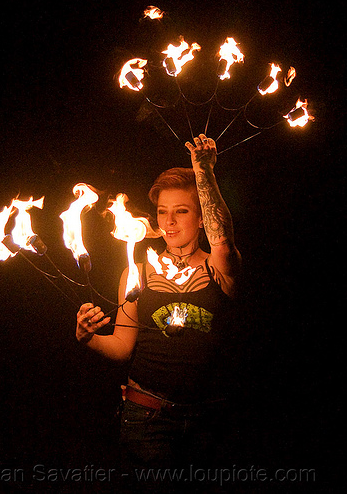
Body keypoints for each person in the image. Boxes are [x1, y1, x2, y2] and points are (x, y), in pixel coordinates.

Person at [76, 133, 241, 490]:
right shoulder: (136, 273)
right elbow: (121, 346)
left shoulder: (220, 268)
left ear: (200, 219)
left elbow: (223, 236)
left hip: (208, 420)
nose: (169, 221)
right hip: (146, 419)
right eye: (162, 212)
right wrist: (88, 337)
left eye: (181, 211)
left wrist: (204, 172)